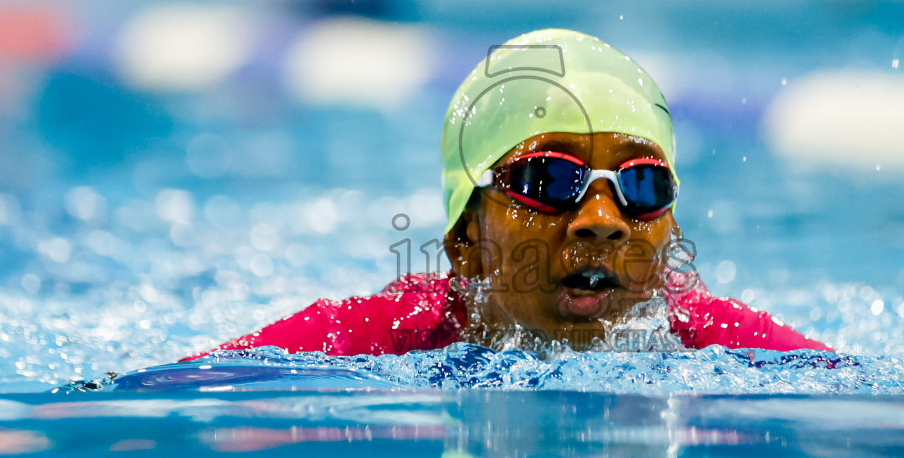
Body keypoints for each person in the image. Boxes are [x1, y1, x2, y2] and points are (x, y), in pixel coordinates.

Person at [189, 29, 828, 358]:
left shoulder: (713, 337)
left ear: (672, 236)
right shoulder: (382, 336)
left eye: (641, 183)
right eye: (548, 178)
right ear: (465, 243)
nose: (603, 220)